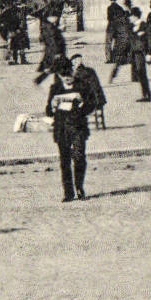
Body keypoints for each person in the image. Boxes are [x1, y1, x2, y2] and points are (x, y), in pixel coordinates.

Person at [47, 57, 91, 202]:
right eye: (63, 75)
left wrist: (82, 104)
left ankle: (79, 186)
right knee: (64, 161)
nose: (67, 78)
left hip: (78, 126)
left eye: (69, 74)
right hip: (61, 128)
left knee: (79, 157)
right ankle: (68, 192)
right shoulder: (55, 88)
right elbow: (48, 111)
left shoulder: (82, 85)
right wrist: (52, 106)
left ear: (72, 71)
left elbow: (94, 103)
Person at [128, 13, 151, 103]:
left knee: (142, 73)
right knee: (139, 74)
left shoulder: (144, 26)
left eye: (130, 17)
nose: (129, 19)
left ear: (135, 16)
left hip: (142, 53)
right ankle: (145, 94)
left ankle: (146, 95)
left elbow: (150, 40)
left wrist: (149, 53)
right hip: (134, 54)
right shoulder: (131, 26)